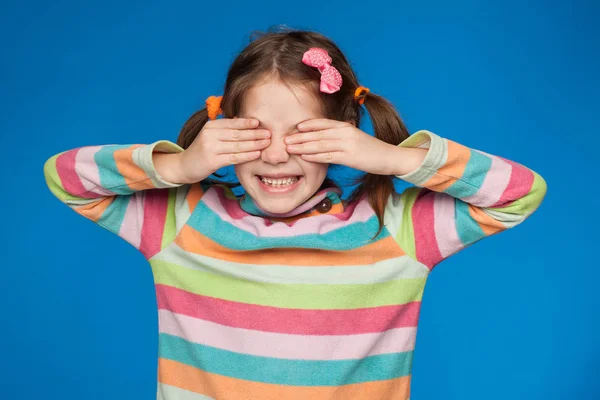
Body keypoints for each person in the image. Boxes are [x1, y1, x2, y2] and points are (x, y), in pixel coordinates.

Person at [43, 28, 547, 400]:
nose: (278, 156)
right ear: (225, 130)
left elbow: (520, 194)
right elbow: (66, 178)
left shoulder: (394, 230)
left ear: (345, 134)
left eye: (304, 134)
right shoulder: (183, 223)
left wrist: (394, 158)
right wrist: (182, 164)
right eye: (255, 133)